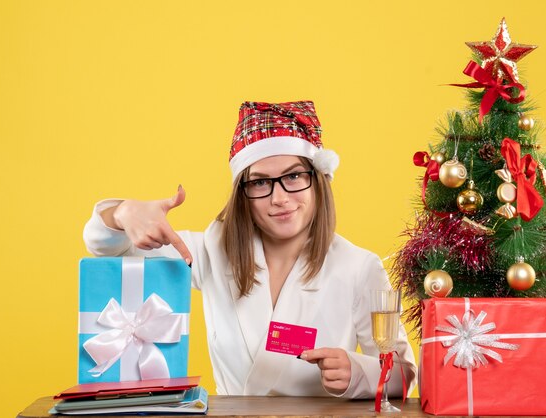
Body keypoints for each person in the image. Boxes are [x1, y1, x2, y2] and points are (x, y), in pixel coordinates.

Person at [83, 100, 417, 398]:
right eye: (259, 182)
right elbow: (110, 251)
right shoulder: (212, 251)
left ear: (317, 179)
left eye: (294, 176)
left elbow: (404, 374)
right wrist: (122, 214)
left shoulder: (359, 267)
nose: (279, 198)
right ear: (243, 193)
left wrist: (356, 373)